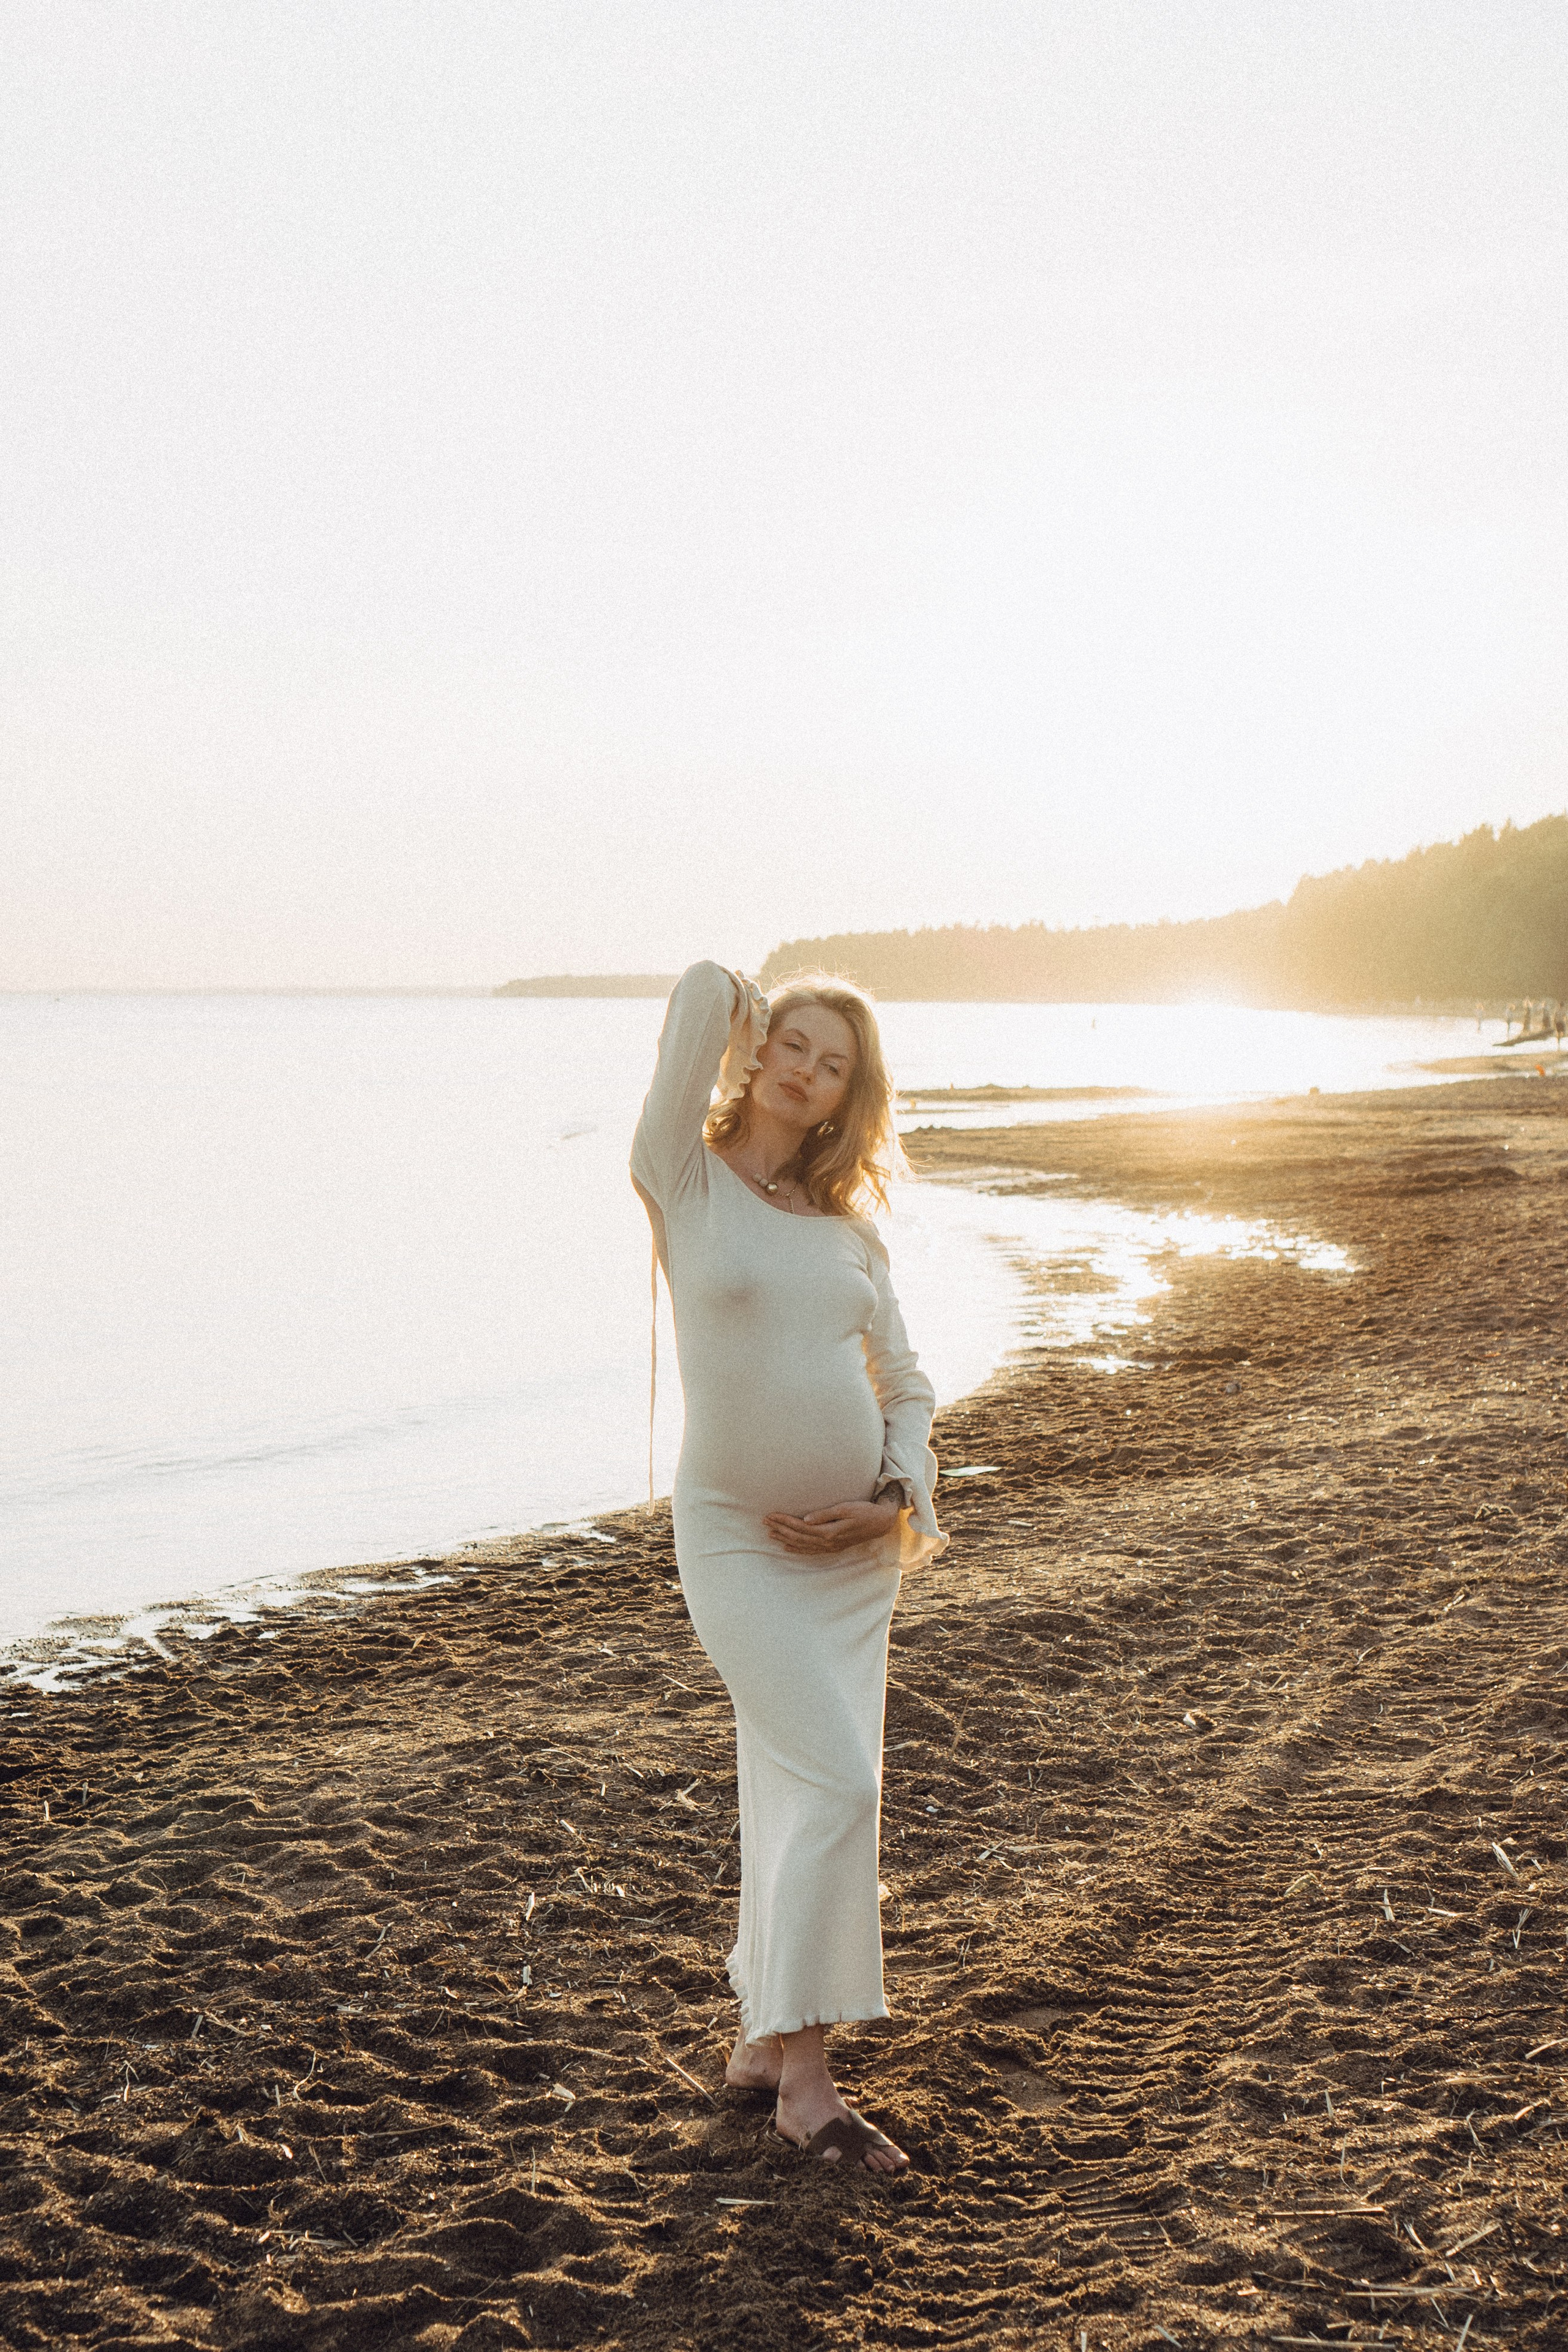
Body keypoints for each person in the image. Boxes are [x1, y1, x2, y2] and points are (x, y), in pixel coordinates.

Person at [631, 962, 944, 2173]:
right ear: (755, 1053)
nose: (807, 1072)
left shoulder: (849, 1234)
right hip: (731, 1538)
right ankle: (808, 2085)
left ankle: (767, 2044)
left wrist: (891, 1501)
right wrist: (737, 1000)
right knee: (838, 1785)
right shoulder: (682, 1178)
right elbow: (691, 1002)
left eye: (833, 1065)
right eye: (793, 1045)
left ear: (844, 1100)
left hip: (850, 1567)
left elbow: (907, 1390)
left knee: (792, 1788)